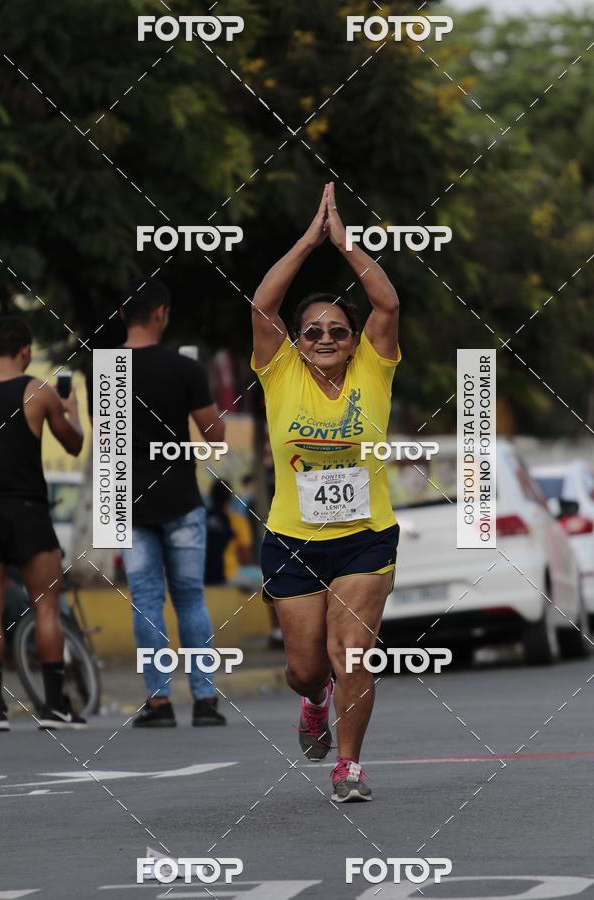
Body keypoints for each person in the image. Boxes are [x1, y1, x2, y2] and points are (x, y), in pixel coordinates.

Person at [250, 182, 401, 801]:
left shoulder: (372, 365)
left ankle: (349, 767)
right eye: (313, 332)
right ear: (298, 343)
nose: (327, 339)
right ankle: (314, 703)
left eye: (338, 330)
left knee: (354, 655)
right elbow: (263, 305)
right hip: (292, 540)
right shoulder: (281, 370)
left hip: (366, 537)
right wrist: (308, 240)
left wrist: (345, 245)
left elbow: (386, 305)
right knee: (308, 669)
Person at [86, 281, 227, 728]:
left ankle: (159, 703)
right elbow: (215, 436)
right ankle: (205, 701)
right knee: (190, 598)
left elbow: (104, 441)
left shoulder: (104, 371)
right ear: (161, 313)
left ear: (124, 315)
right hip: (181, 499)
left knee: (145, 600)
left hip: (129, 503)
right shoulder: (184, 368)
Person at [0, 315, 85, 730]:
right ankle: (55, 707)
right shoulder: (36, 391)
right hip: (28, 510)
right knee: (46, 606)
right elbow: (73, 443)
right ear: (26, 351)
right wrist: (73, 412)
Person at [205, 479, 255, 586]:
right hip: (228, 574)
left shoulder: (202, 519)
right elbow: (245, 558)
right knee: (265, 580)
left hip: (203, 575)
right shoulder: (236, 520)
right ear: (229, 497)